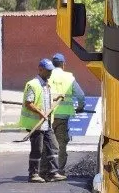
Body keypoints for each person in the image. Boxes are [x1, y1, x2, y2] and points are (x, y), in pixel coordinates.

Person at [47, 52, 87, 181]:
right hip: (62, 117)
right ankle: (60, 171)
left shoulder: (47, 76)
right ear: (64, 64)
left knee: (47, 143)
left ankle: (46, 170)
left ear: (52, 64)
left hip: (47, 115)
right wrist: (80, 107)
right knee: (62, 143)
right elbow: (80, 95)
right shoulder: (69, 77)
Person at [20, 58, 57, 182]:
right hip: (36, 124)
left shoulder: (47, 85)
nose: (50, 73)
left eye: (51, 71)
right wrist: (40, 113)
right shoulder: (33, 84)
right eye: (48, 71)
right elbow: (28, 103)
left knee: (53, 147)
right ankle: (33, 174)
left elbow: (45, 101)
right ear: (40, 69)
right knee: (37, 150)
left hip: (47, 124)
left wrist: (58, 97)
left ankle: (53, 173)